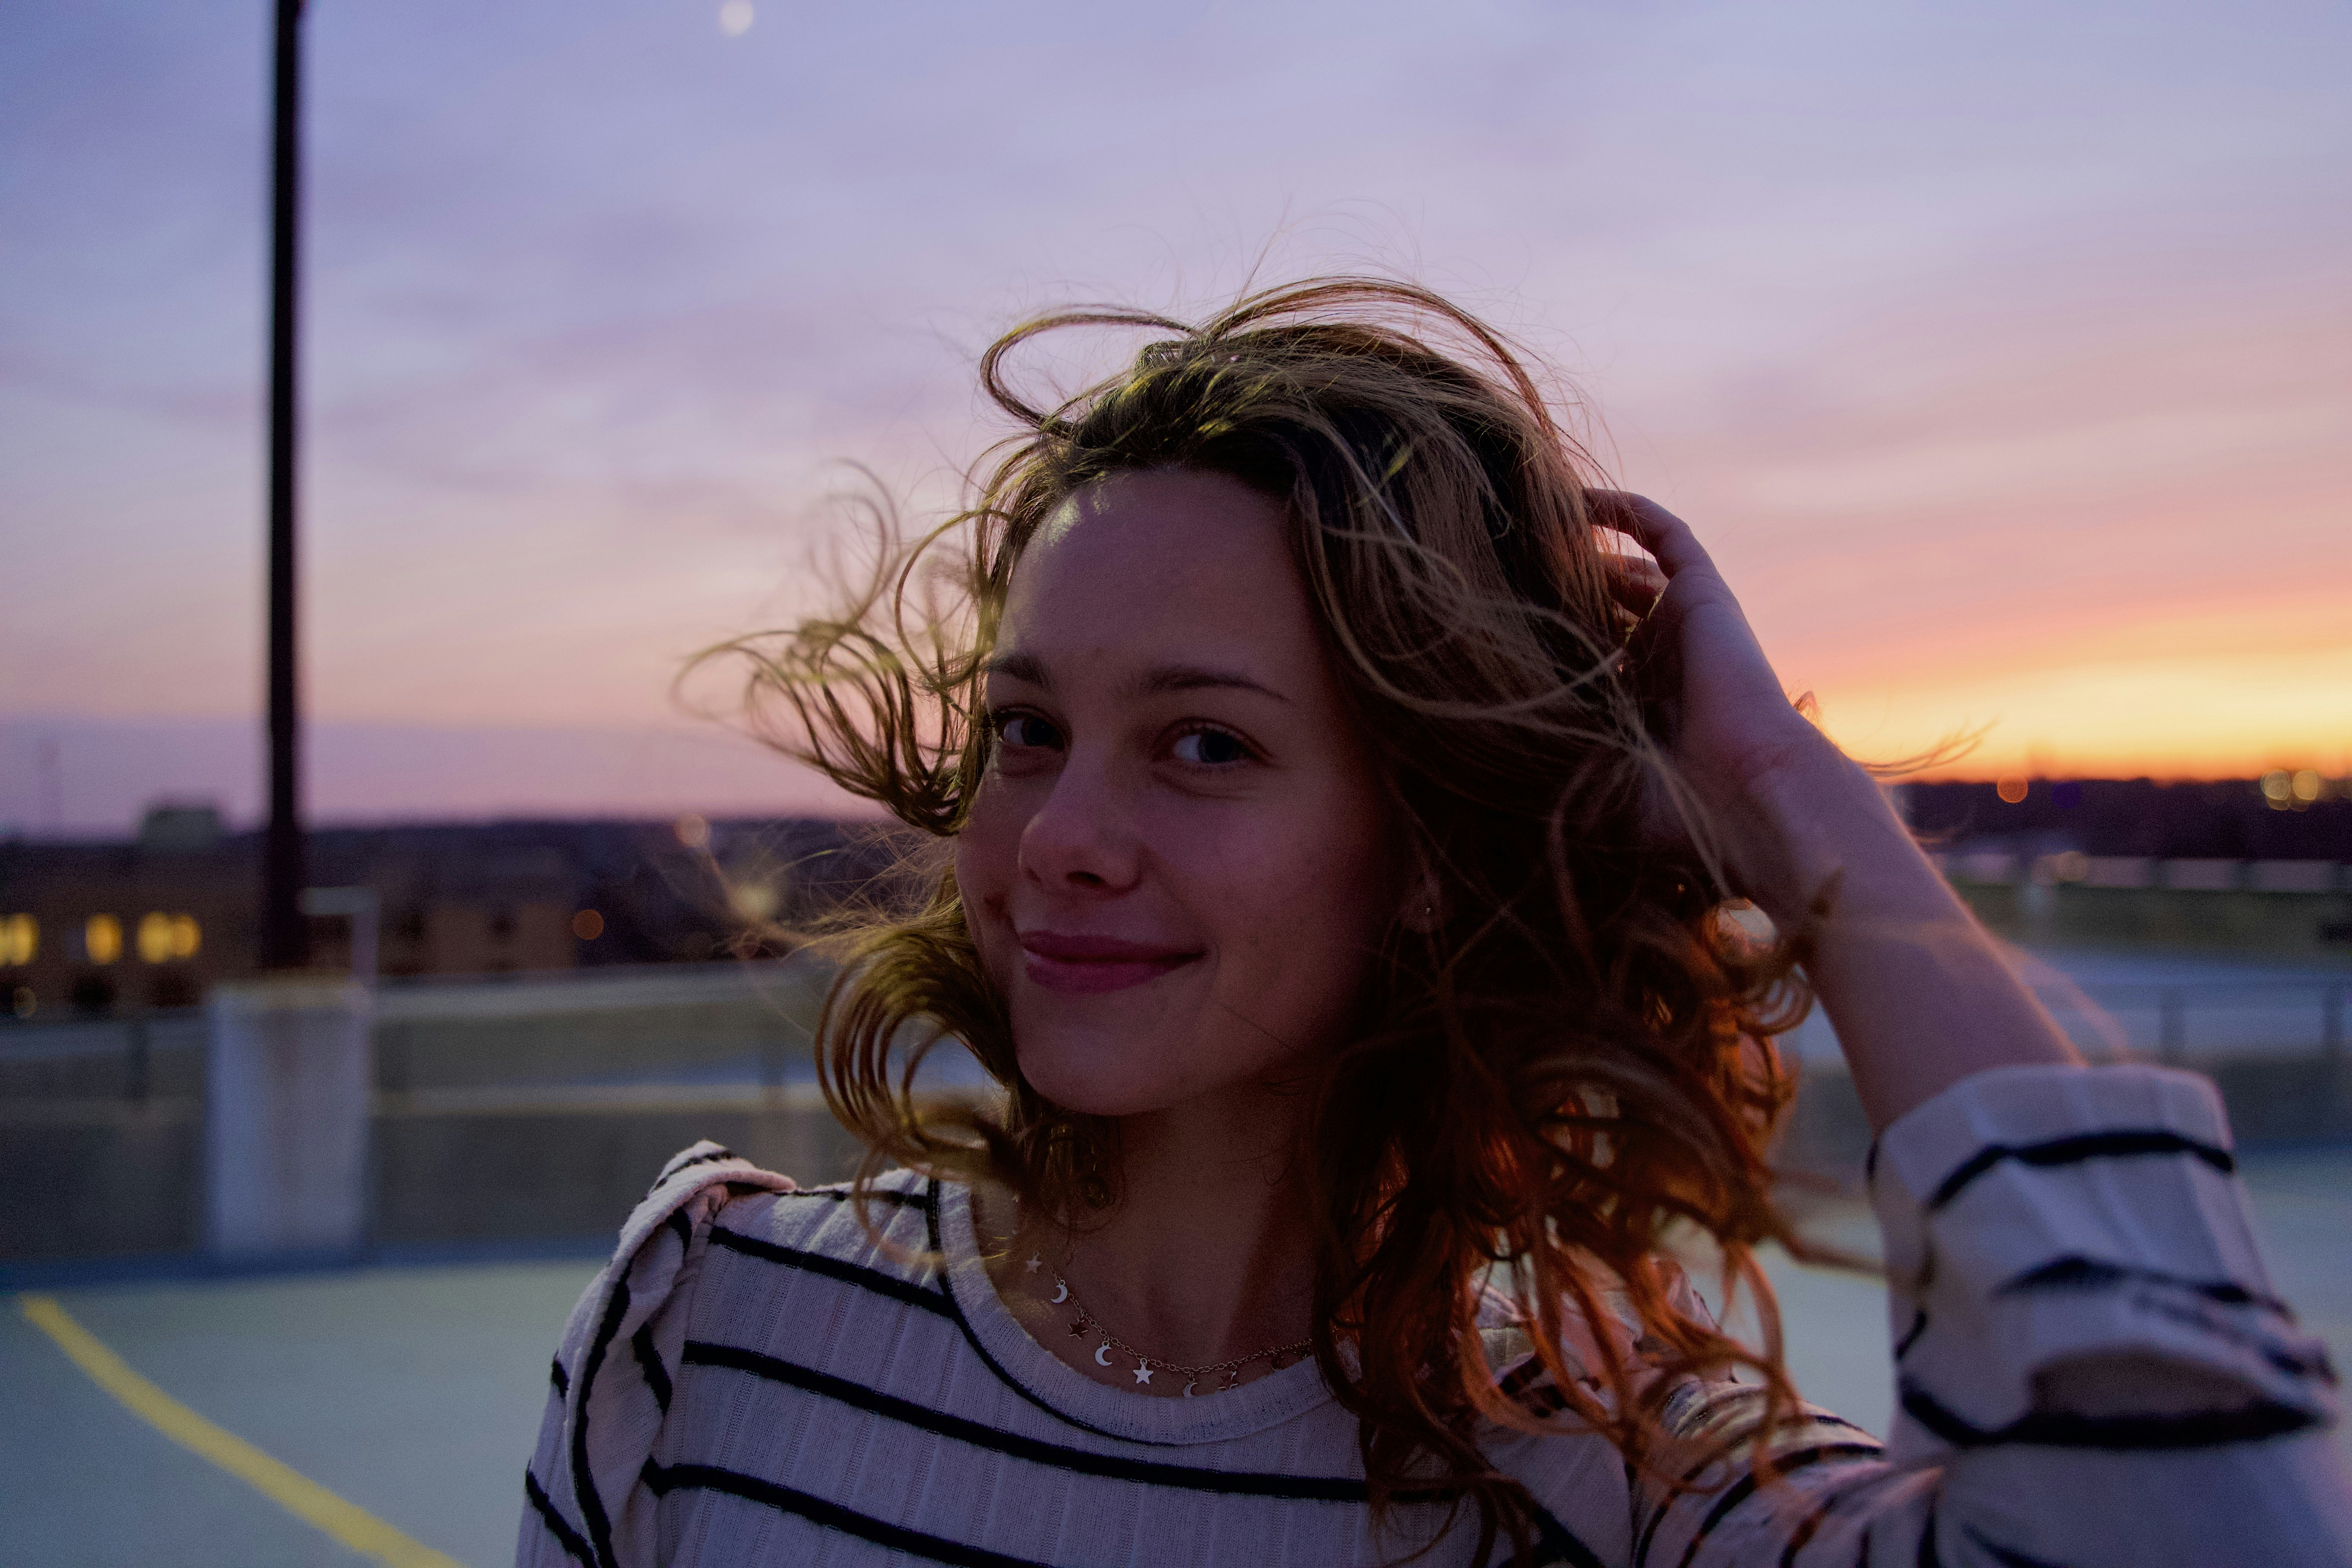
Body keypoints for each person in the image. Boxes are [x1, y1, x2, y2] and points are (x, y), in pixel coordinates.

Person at [519, 279, 2349, 1568]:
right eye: (1030, 733)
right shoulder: (712, 1326)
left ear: (1422, 848)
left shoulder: (1623, 1488)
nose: (1061, 836)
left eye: (1205, 743)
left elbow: (2209, 1517)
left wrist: (1789, 798)